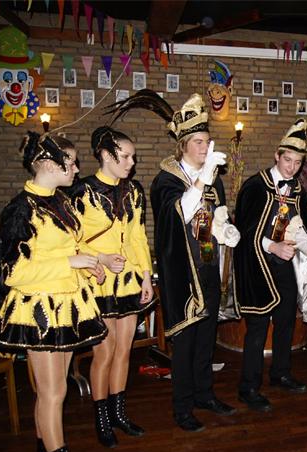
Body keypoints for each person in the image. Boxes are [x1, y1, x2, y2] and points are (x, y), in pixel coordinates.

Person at [106, 90, 236, 432]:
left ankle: (204, 394)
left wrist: (225, 229)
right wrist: (203, 178)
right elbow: (179, 214)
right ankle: (182, 407)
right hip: (182, 272)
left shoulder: (213, 178)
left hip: (207, 263)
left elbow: (215, 215)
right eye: (198, 142)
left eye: (207, 141)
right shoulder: (165, 180)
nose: (204, 147)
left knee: (206, 338)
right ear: (182, 146)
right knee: (185, 341)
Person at [0, 132, 106, 452]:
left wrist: (93, 263)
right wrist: (71, 262)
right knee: (52, 392)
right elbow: (13, 272)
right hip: (38, 311)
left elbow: (73, 246)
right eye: (69, 162)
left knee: (55, 391)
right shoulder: (20, 209)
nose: (76, 168)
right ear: (47, 164)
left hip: (68, 305)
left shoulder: (61, 201)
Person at [69, 126, 156, 448]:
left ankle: (119, 413)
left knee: (124, 350)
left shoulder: (134, 190)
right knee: (103, 353)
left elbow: (137, 236)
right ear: (106, 155)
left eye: (133, 157)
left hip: (128, 280)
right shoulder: (81, 191)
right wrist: (101, 259)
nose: (132, 163)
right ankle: (102, 417)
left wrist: (145, 275)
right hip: (98, 282)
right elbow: (71, 242)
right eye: (126, 156)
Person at [233, 119, 307, 412]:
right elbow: (244, 231)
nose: (292, 168)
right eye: (288, 160)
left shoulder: (297, 190)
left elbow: (300, 228)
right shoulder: (255, 186)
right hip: (258, 264)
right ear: (277, 155)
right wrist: (272, 246)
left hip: (284, 264)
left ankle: (281, 373)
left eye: (298, 163)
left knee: (286, 320)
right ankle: (249, 388)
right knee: (258, 327)